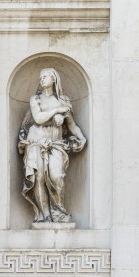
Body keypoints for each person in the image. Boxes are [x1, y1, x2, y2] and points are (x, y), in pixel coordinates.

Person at [18, 67, 86, 224]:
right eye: (40, 77)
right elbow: (38, 118)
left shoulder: (64, 101)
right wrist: (56, 111)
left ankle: (58, 212)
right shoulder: (36, 99)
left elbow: (72, 126)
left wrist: (81, 138)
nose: (41, 79)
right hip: (35, 143)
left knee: (56, 176)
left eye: (45, 76)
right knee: (39, 177)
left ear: (54, 78)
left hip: (55, 144)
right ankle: (44, 216)